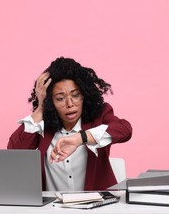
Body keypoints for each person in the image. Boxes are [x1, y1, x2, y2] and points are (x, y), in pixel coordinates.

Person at [7, 57, 132, 191]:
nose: (70, 104)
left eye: (76, 95)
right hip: (52, 209)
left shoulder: (99, 116)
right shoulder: (44, 127)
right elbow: (15, 153)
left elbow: (124, 129)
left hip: (97, 207)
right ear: (51, 101)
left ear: (84, 95)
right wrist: (40, 107)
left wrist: (80, 138)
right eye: (60, 98)